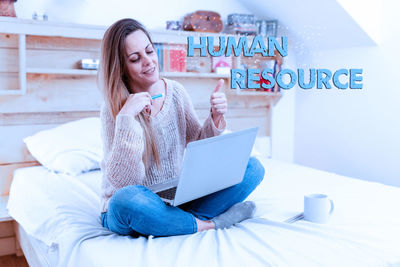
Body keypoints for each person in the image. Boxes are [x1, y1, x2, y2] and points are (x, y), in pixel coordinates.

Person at [99, 18, 265, 237]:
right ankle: (211, 224)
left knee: (253, 168)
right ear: (121, 68)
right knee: (125, 201)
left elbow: (198, 144)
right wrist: (127, 118)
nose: (148, 62)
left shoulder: (175, 92)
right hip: (136, 203)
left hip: (178, 198)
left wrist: (215, 118)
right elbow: (126, 183)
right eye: (135, 58)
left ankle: (177, 221)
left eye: (149, 51)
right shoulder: (115, 109)